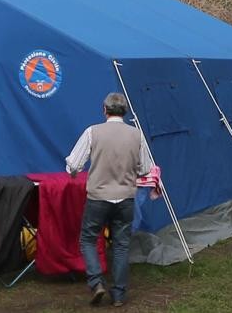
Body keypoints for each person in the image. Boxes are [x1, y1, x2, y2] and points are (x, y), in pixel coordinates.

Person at [66, 93, 152, 307]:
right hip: (125, 199)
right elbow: (146, 169)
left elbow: (74, 165)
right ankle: (119, 294)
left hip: (98, 197)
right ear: (125, 111)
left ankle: (96, 282)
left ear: (104, 110)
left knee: (88, 240)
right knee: (122, 246)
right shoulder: (137, 135)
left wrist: (73, 173)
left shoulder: (92, 132)